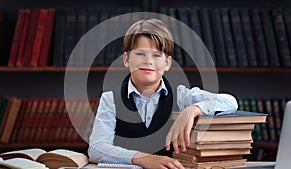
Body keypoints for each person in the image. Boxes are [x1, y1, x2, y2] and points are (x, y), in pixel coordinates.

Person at [88, 18, 238, 169]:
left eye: (157, 55)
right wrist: (143, 158)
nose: (148, 61)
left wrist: (193, 109)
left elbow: (230, 101)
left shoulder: (180, 96)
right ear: (126, 59)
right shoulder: (110, 99)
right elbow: (96, 148)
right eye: (140, 54)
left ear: (167, 63)